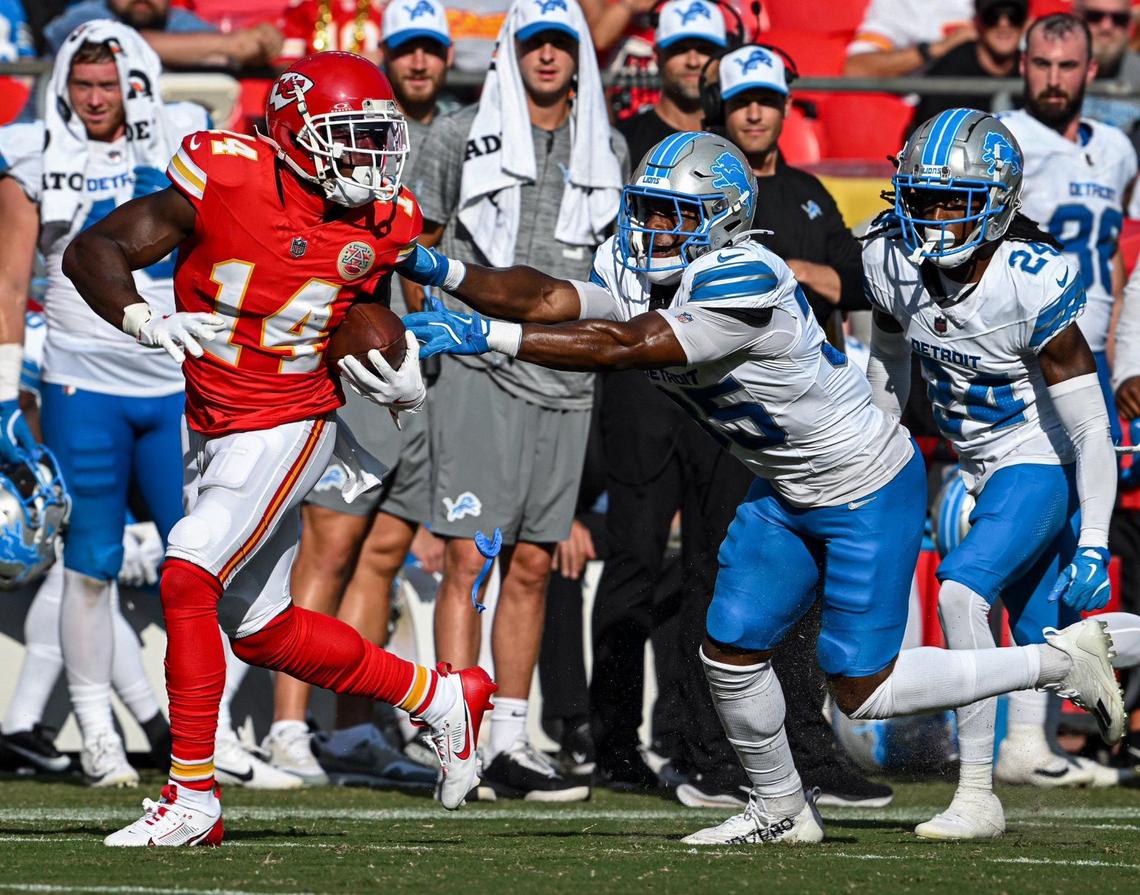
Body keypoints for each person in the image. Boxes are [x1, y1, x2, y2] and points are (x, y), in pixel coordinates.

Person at [397, 130, 1125, 846]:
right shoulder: (642, 260)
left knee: (860, 686)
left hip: (862, 484)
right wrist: (442, 270)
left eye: (671, 215)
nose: (649, 228)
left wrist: (487, 338)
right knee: (731, 650)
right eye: (646, 209)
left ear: (722, 218)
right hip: (780, 485)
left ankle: (1059, 661)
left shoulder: (746, 277)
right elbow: (556, 296)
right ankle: (781, 807)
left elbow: (624, 345)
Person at [63, 51, 495, 847]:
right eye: (351, 138)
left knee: (189, 566)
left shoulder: (379, 217)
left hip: (291, 418)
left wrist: (396, 371)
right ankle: (440, 697)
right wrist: (142, 319)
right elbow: (93, 250)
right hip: (213, 420)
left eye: (377, 138)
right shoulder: (225, 176)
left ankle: (191, 793)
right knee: (257, 626)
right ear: (297, 135)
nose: (372, 159)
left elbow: (360, 314)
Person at [865, 108, 1140, 839]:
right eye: (922, 197)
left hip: (1035, 456)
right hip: (968, 459)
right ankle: (1022, 743)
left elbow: (1089, 426)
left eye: (955, 200)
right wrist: (879, 432)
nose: (934, 218)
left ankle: (975, 791)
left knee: (960, 591)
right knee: (1048, 638)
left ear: (997, 203)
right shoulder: (890, 259)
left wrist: (1090, 537)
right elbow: (890, 357)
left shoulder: (1029, 276)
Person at [408, 0, 626, 802]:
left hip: (570, 372)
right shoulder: (455, 133)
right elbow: (418, 240)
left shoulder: (609, 144)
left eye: (560, 43)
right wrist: (426, 336)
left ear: (579, 55)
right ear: (511, 48)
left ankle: (508, 739)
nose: (546, 57)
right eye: (533, 42)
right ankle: (454, 741)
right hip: (476, 364)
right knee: (469, 556)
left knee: (535, 561)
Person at [0, 20, 211, 789]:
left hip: (171, 379)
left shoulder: (182, 135)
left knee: (197, 560)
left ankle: (200, 732)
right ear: (63, 85)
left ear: (136, 83)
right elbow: (9, 281)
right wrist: (4, 397)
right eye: (82, 85)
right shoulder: (30, 152)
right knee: (88, 563)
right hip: (80, 380)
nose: (95, 99)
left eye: (109, 84)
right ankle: (98, 736)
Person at [261, 0, 454, 786]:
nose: (418, 66)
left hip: (400, 375)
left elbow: (421, 253)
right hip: (334, 371)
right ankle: (285, 727)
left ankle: (347, 727)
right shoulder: (311, 153)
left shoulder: (421, 162)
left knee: (380, 550)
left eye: (430, 52)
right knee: (327, 547)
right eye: (403, 52)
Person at [997, 13, 1138, 787]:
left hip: (1089, 366)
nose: (1054, 77)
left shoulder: (1115, 149)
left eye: (1068, 64)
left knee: (1076, 548)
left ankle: (1039, 734)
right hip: (1022, 369)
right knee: (1024, 546)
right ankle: (1009, 732)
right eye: (1041, 62)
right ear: (1022, 62)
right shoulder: (1000, 139)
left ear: (1091, 68)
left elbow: (1118, 264)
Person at [613, 0, 726, 153]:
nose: (692, 62)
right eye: (679, 49)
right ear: (657, 56)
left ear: (721, 58)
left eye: (704, 49)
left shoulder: (742, 137)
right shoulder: (623, 142)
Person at [45, 0, 283, 69]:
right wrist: (236, 44)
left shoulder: (177, 21)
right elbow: (122, 41)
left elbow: (223, 51)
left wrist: (262, 42)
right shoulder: (82, 16)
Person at [912, 0, 1027, 127]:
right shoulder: (951, 70)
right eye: (992, 16)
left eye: (1015, 16)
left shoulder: (1036, 66)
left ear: (1026, 22)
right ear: (977, 21)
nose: (1004, 24)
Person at [843, 0, 976, 78]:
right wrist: (937, 48)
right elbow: (857, 67)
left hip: (990, 104)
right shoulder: (900, 4)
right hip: (933, 112)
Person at [1076, 0, 1140, 151]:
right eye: (1094, 16)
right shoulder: (1047, 69)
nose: (1106, 27)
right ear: (1076, 18)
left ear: (1130, 25)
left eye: (1119, 19)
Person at [278, 0, 386, 65]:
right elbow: (286, 64)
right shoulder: (305, 8)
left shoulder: (384, 8)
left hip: (370, 89)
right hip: (318, 89)